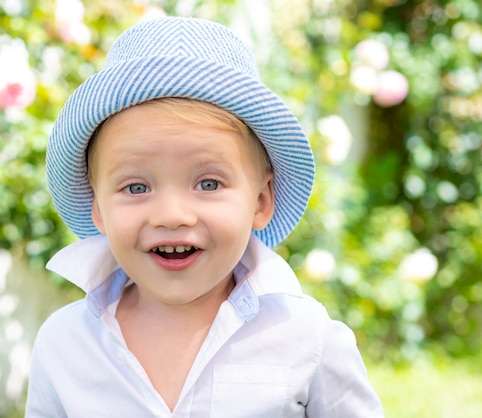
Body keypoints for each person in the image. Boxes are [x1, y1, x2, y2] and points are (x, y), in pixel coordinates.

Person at [25, 16, 383, 417]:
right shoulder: (64, 343)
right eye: (136, 187)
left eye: (208, 184)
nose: (171, 215)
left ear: (261, 201)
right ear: (99, 208)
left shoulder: (308, 338)